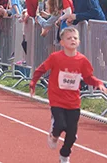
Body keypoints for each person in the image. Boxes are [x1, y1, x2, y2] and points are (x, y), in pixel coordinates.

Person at [29, 27, 107, 163]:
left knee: (72, 135)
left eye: (75, 38)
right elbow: (41, 69)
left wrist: (98, 83)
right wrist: (33, 83)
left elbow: (88, 77)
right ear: (62, 42)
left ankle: (64, 154)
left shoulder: (82, 60)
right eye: (69, 38)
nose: (72, 40)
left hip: (73, 102)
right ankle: (54, 134)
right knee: (60, 124)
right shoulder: (55, 57)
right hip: (57, 99)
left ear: (79, 41)